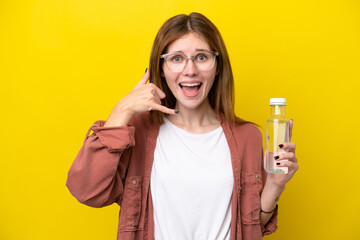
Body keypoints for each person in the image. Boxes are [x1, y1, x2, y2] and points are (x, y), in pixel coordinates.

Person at [66, 12, 299, 240]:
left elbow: (249, 227)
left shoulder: (247, 136)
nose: (190, 70)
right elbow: (88, 192)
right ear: (161, 69)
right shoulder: (137, 131)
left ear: (217, 66)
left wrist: (275, 186)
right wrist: (121, 111)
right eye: (176, 58)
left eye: (201, 57)